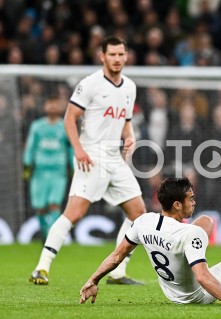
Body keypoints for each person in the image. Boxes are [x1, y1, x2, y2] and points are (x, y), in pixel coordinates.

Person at [29, 35, 146, 285]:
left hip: (114, 158)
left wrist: (130, 137)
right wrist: (79, 150)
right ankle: (41, 267)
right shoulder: (90, 84)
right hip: (91, 156)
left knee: (139, 214)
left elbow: (126, 122)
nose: (117, 59)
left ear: (126, 56)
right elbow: (69, 119)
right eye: (112, 54)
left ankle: (117, 271)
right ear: (102, 56)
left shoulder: (129, 87)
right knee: (75, 212)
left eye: (120, 54)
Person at [79, 177, 221, 306]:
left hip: (170, 290)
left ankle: (193, 250)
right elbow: (202, 277)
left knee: (205, 220)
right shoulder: (190, 234)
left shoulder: (143, 222)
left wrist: (93, 280)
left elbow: (117, 256)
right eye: (190, 199)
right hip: (195, 296)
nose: (194, 202)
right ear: (176, 205)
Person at [23, 97, 72, 241]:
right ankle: (45, 232)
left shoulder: (65, 126)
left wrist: (74, 166)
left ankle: (53, 236)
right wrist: (27, 163)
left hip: (58, 171)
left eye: (55, 104)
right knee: (40, 206)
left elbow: (70, 148)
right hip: (40, 171)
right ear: (44, 107)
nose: (52, 107)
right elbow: (30, 146)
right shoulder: (37, 126)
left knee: (54, 203)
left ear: (59, 108)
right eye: (49, 104)